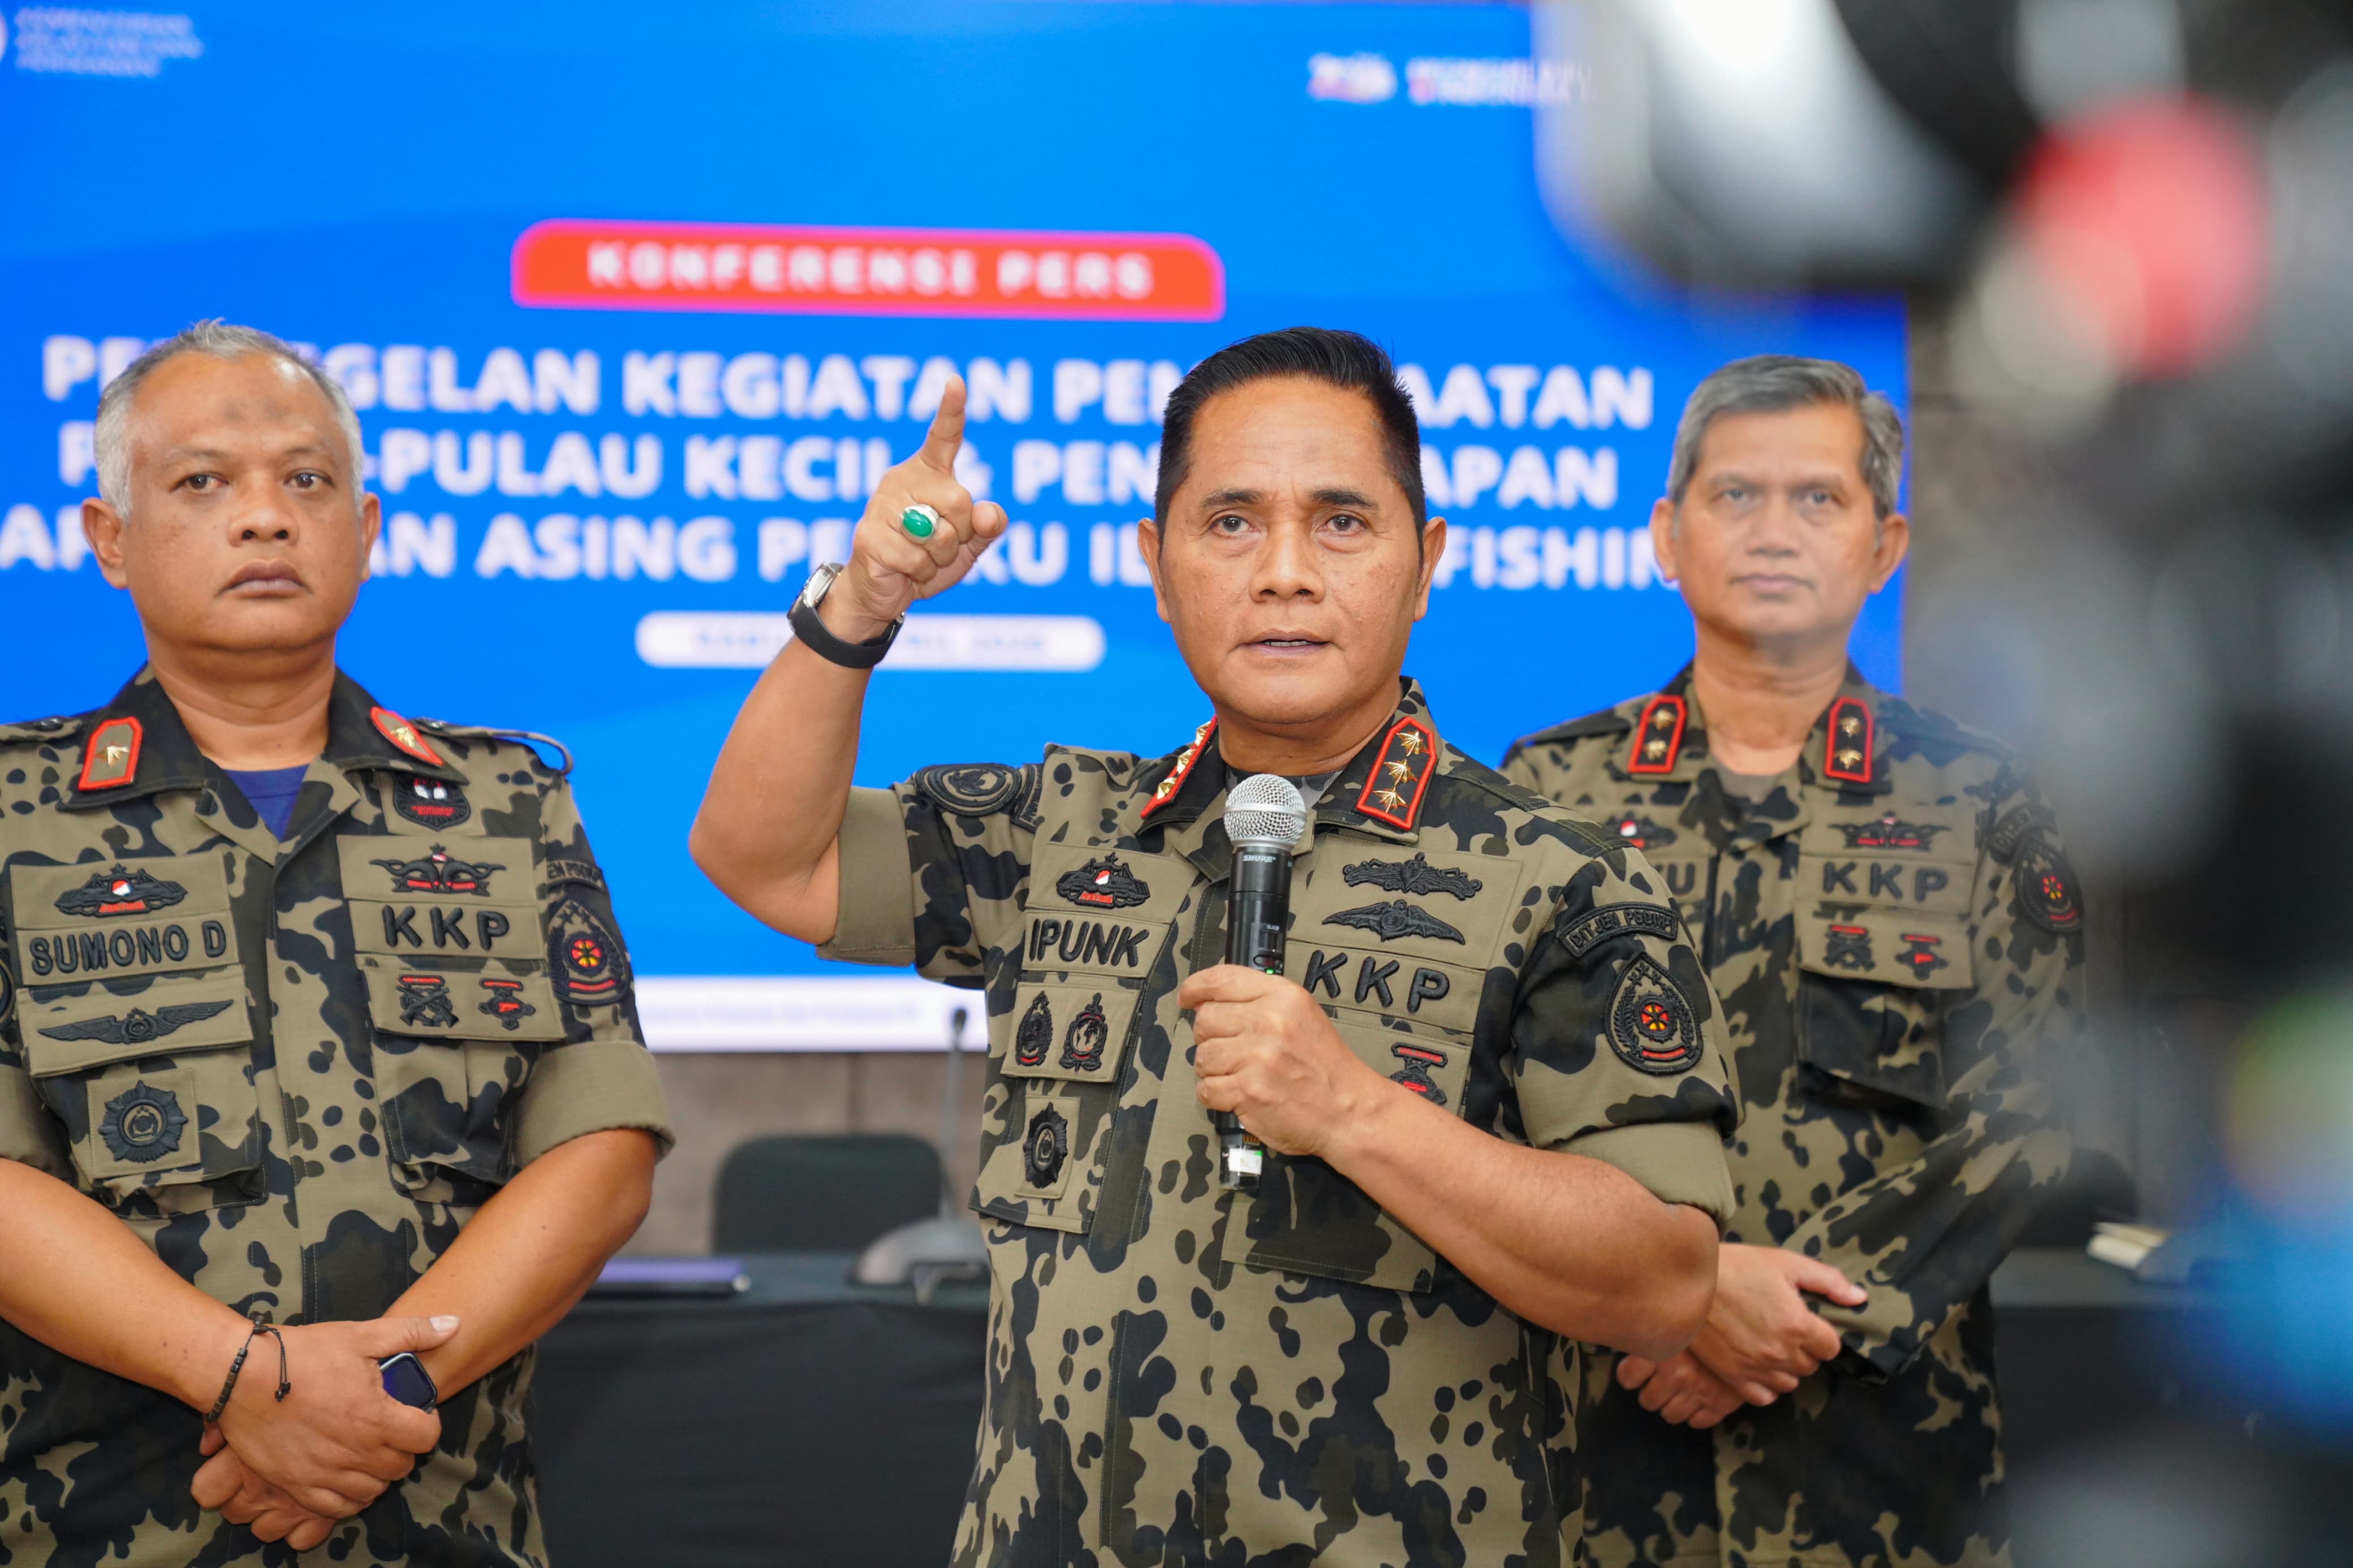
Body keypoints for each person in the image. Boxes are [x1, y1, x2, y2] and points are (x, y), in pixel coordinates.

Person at [691, 326, 1739, 1564]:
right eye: (1229, 522)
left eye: (1341, 522)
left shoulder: (1559, 881)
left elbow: (1663, 1277)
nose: (1283, 571)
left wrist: (1357, 1113)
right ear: (1157, 559)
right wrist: (859, 602)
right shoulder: (1066, 830)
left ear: (1425, 561)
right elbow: (765, 857)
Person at [0, 322, 671, 1565]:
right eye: (203, 481)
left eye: (304, 481)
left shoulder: (504, 802)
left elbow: (602, 1148)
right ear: (108, 539)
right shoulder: (12, 813)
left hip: (438, 1516)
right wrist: (249, 1381)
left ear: (365, 530)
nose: (264, 517)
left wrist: (381, 1403)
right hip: (97, 1530)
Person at [1501, 355, 2083, 1568]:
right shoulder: (1545, 793)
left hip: (1879, 1461)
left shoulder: (1983, 795)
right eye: (1736, 496)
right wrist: (1683, 1293)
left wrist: (1792, 1311)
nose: (1775, 531)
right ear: (1666, 535)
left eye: (1818, 499)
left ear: (1884, 543)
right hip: (1595, 1443)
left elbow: (2031, 1108)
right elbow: (1487, 1107)